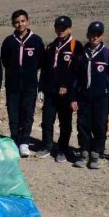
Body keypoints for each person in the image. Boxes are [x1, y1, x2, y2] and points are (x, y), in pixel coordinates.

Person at [72, 21, 109, 169]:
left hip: (101, 97)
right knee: (83, 125)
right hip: (83, 97)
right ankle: (84, 151)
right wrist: (73, 98)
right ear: (87, 35)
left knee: (99, 125)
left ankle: (96, 154)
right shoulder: (80, 54)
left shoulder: (107, 54)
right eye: (92, 34)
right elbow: (75, 78)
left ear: (102, 36)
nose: (94, 37)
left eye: (98, 35)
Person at [37, 16, 83, 162]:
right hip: (50, 91)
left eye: (64, 28)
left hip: (66, 93)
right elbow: (45, 69)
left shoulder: (76, 46)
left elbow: (77, 71)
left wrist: (66, 85)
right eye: (58, 28)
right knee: (47, 120)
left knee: (65, 122)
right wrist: (41, 88)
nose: (60, 30)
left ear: (70, 29)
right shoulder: (51, 46)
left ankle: (63, 149)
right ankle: (47, 145)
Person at [0, 9, 45, 157]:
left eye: (23, 21)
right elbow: (5, 61)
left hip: (29, 84)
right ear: (13, 24)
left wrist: (28, 72)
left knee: (27, 113)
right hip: (12, 84)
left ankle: (24, 141)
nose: (20, 24)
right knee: (13, 113)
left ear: (28, 21)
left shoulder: (36, 40)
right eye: (17, 22)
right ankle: (14, 139)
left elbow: (40, 61)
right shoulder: (9, 41)